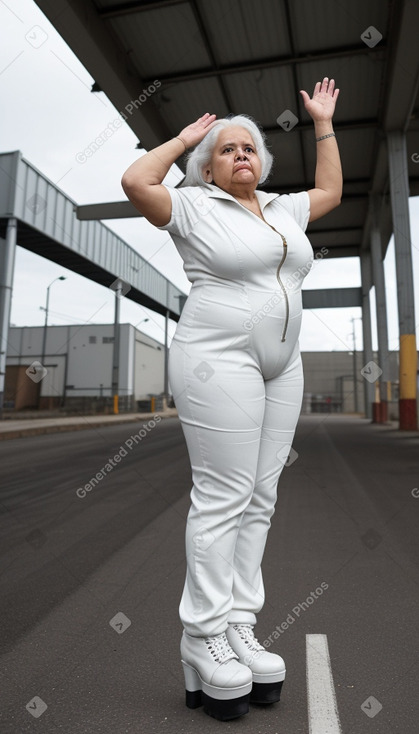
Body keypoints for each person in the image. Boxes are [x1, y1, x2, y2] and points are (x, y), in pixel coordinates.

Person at [121, 77, 342, 722]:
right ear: (209, 167)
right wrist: (185, 138)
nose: (241, 154)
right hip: (218, 361)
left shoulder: (282, 211)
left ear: (263, 163)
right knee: (223, 495)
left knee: (262, 496)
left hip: (283, 362)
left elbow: (328, 189)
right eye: (227, 149)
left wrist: (323, 124)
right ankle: (201, 634)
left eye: (250, 148)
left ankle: (239, 624)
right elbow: (137, 182)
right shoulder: (189, 205)